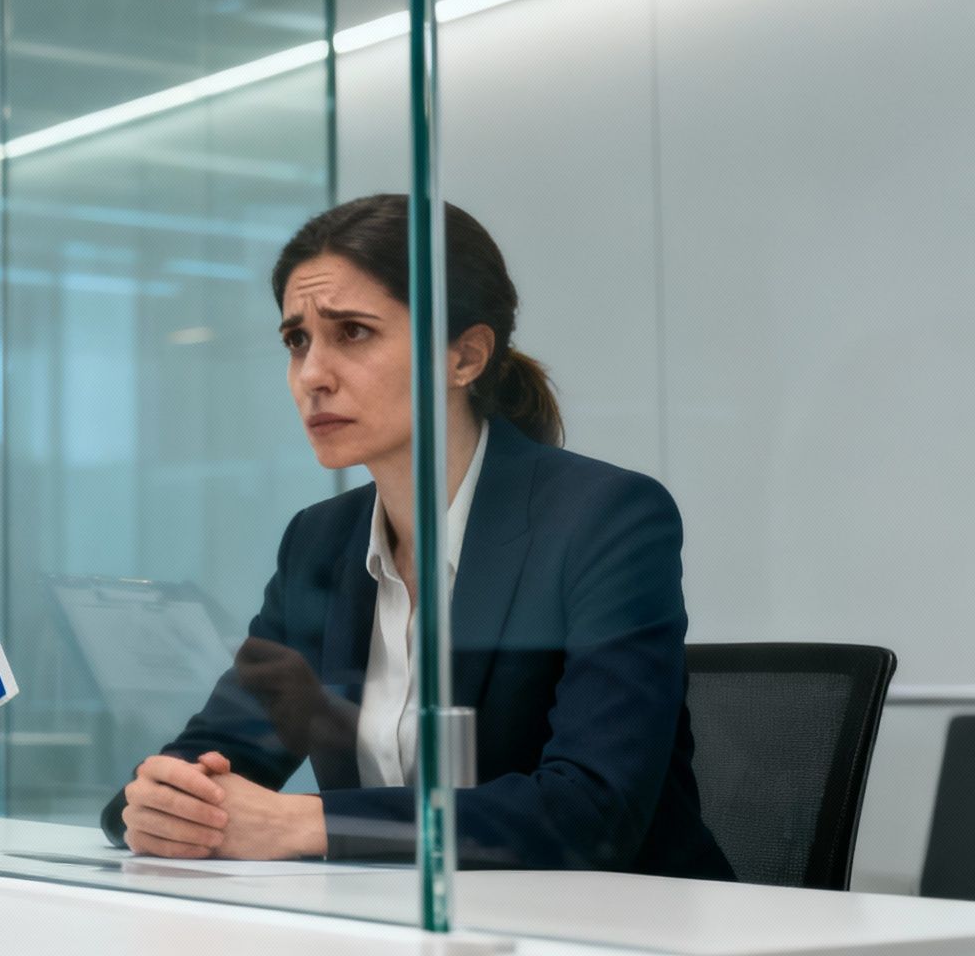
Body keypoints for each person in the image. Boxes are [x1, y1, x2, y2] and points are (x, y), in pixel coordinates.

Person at [103, 195, 733, 878]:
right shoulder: (320, 542)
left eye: (352, 332)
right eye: (296, 340)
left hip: (619, 931)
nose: (312, 374)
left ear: (464, 356)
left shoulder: (604, 517)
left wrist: (306, 821)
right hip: (396, 926)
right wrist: (158, 804)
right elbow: (221, 749)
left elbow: (593, 810)